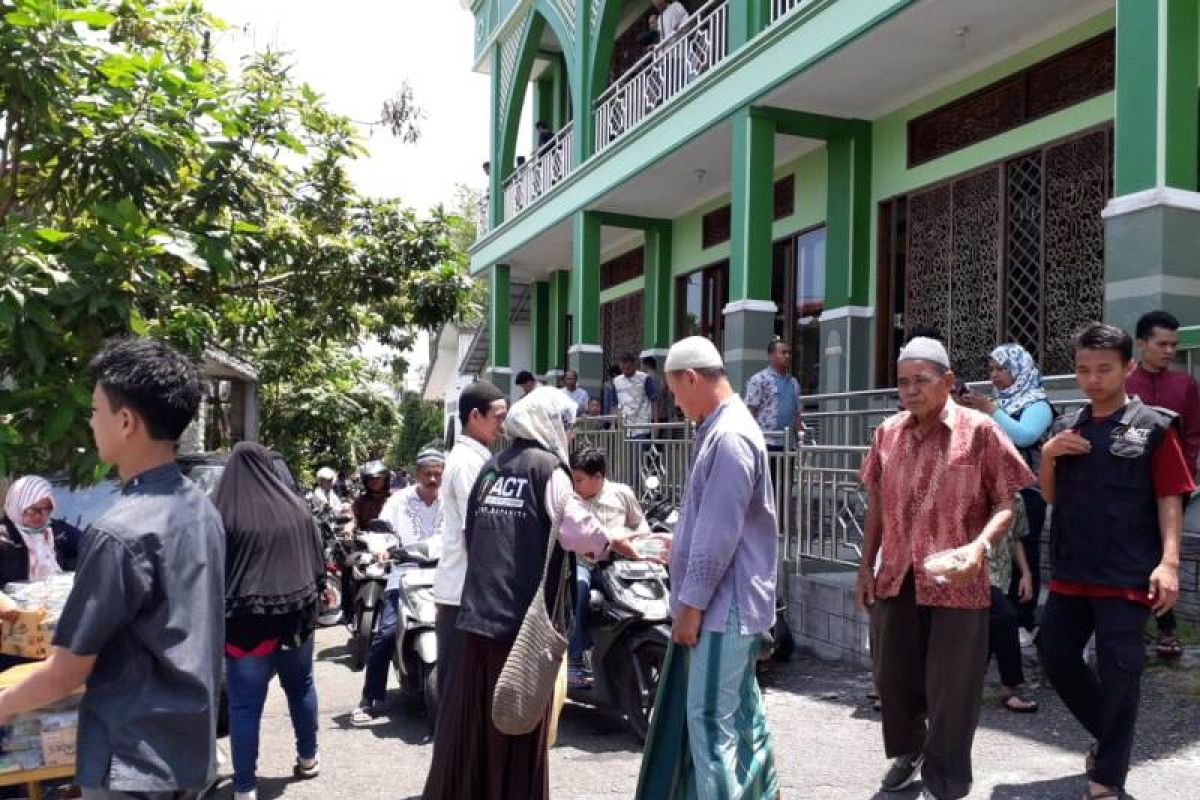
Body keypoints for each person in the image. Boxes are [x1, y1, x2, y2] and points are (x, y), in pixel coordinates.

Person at [0, 337, 224, 800]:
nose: (90, 421)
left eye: (96, 409)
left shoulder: (118, 531)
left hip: (133, 761)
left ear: (125, 421)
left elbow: (66, 672)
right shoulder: (200, 507)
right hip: (191, 751)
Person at [422, 388, 644, 800]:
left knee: (475, 723)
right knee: (519, 721)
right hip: (523, 626)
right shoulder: (549, 472)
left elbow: (476, 537)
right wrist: (616, 542)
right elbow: (581, 532)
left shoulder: (491, 468)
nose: (571, 436)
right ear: (551, 425)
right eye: (568, 426)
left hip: (477, 617)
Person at [856, 336, 1033, 800]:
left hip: (959, 579)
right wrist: (864, 567)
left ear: (948, 381)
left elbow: (1006, 502)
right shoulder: (887, 433)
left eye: (922, 381)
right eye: (903, 382)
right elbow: (875, 503)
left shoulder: (980, 431)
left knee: (952, 689)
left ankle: (947, 780)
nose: (910, 391)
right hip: (896, 572)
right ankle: (910, 749)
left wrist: (978, 547)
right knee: (891, 677)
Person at [1038, 323, 1192, 800]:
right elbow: (1049, 495)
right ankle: (1110, 740)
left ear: (1127, 368)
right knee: (1055, 655)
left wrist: (1169, 563)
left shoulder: (1155, 426)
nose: (1092, 379)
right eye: (1083, 370)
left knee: (1121, 670)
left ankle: (1107, 778)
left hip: (1127, 570)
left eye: (1104, 369)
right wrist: (1047, 454)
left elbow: (1170, 496)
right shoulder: (1066, 427)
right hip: (1073, 569)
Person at [636, 336, 780, 800]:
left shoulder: (730, 435)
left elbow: (719, 535)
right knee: (740, 718)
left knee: (709, 726)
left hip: (724, 607)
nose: (674, 403)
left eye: (674, 391)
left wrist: (691, 605)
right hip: (727, 603)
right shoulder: (721, 428)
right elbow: (710, 521)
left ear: (691, 378)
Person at [216, 442, 329, 800]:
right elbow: (317, 564)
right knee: (301, 687)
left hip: (245, 629)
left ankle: (245, 786)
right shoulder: (296, 507)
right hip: (296, 623)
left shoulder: (220, 510)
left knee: (245, 706)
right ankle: (308, 758)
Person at [960, 343, 1055, 639]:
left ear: (1019, 369)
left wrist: (991, 410)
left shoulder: (1037, 404)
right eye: (991, 369)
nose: (994, 375)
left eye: (1001, 368)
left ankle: (1023, 620)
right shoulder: (1001, 402)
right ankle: (1002, 620)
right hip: (998, 490)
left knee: (1025, 552)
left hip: (1029, 492)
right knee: (999, 554)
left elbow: (1025, 435)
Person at [1125, 309, 1200, 660]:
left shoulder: (1185, 384)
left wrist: (1187, 472)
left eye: (1174, 345)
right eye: (1162, 344)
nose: (1169, 350)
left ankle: (1166, 628)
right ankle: (1133, 622)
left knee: (1163, 551)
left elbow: (1194, 433)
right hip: (1128, 483)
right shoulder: (1125, 383)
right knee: (1133, 547)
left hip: (1173, 484)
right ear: (1142, 344)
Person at [432, 381, 508, 713]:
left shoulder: (477, 459)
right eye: (498, 417)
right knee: (461, 700)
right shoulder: (466, 463)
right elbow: (475, 532)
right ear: (474, 416)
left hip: (469, 594)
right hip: (465, 595)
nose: (502, 426)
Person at [353, 447, 445, 723]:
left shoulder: (452, 501)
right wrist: (382, 549)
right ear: (416, 474)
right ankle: (370, 697)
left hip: (443, 576)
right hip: (403, 574)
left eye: (437, 474)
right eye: (427, 473)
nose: (432, 479)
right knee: (386, 634)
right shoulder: (398, 502)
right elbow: (381, 532)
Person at [568, 447, 652, 688]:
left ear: (598, 477)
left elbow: (640, 526)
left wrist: (635, 544)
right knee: (579, 588)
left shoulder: (621, 493)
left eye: (580, 480)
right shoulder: (571, 500)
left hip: (618, 564)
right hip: (584, 563)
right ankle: (576, 659)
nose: (575, 486)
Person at [985, 494, 1037, 714]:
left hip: (1002, 577)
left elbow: (1015, 538)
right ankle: (1010, 688)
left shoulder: (1016, 498)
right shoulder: (973, 485)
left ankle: (966, 688)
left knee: (990, 627)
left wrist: (1025, 573)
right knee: (1006, 617)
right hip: (976, 572)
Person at [1, 475, 80, 586]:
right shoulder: (4, 539)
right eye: (32, 510)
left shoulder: (57, 530)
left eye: (46, 510)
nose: (39, 516)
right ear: (17, 506)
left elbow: (90, 546)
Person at [745, 337, 803, 451]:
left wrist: (802, 439)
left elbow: (797, 414)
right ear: (771, 356)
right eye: (783, 353)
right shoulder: (759, 379)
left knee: (788, 469)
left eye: (789, 353)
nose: (787, 356)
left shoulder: (793, 382)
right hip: (765, 441)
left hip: (788, 443)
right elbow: (750, 411)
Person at [615, 352, 657, 442]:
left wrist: (656, 424)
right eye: (623, 369)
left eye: (628, 368)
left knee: (638, 454)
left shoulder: (645, 378)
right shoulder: (616, 381)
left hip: (642, 426)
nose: (625, 371)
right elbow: (615, 404)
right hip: (624, 427)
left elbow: (654, 401)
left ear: (634, 365)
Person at [351, 460, 392, 531]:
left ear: (385, 479)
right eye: (370, 479)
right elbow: (353, 518)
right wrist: (349, 527)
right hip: (367, 538)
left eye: (377, 478)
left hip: (393, 538)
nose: (374, 481)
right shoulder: (360, 502)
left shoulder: (394, 499)